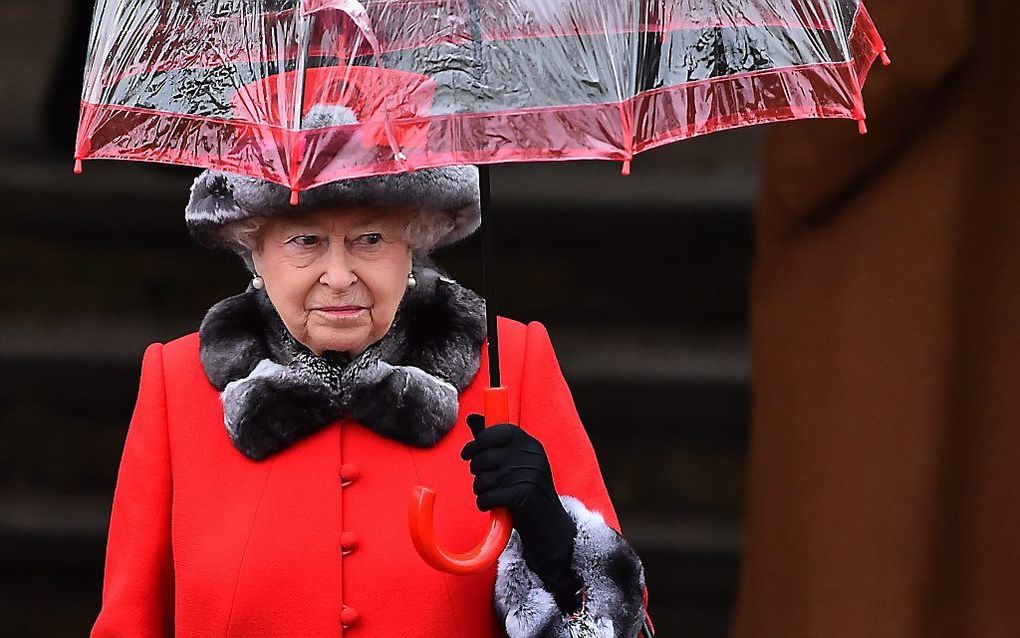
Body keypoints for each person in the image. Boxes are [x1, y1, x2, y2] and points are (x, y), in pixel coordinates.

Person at [89, 161, 650, 638]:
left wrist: (557, 543)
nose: (339, 275)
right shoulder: (177, 381)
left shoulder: (513, 363)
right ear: (255, 252)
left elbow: (625, 625)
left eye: (371, 238)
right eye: (305, 239)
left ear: (415, 242)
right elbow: (127, 624)